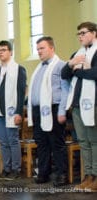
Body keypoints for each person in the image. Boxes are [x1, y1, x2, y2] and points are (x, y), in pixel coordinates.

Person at [27, 36, 69, 186]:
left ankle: (61, 174)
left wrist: (62, 111)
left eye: (42, 48)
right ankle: (44, 173)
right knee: (42, 143)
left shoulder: (61, 65)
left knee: (56, 143)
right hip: (39, 111)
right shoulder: (39, 68)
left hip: (54, 109)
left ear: (51, 48)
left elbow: (65, 90)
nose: (39, 51)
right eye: (37, 49)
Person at [61, 21, 97, 191]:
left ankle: (96, 176)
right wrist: (70, 64)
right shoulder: (78, 53)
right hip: (76, 105)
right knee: (83, 141)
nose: (80, 36)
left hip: (93, 104)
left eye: (84, 33)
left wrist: (77, 71)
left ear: (94, 33)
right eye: (79, 34)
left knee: (94, 141)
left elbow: (95, 73)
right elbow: (63, 74)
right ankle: (88, 176)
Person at [0, 40, 27, 179]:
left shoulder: (19, 69)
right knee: (3, 142)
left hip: (11, 112)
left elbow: (21, 92)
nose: (0, 53)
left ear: (11, 52)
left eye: (3, 50)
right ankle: (6, 168)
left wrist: (18, 112)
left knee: (12, 141)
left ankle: (16, 169)